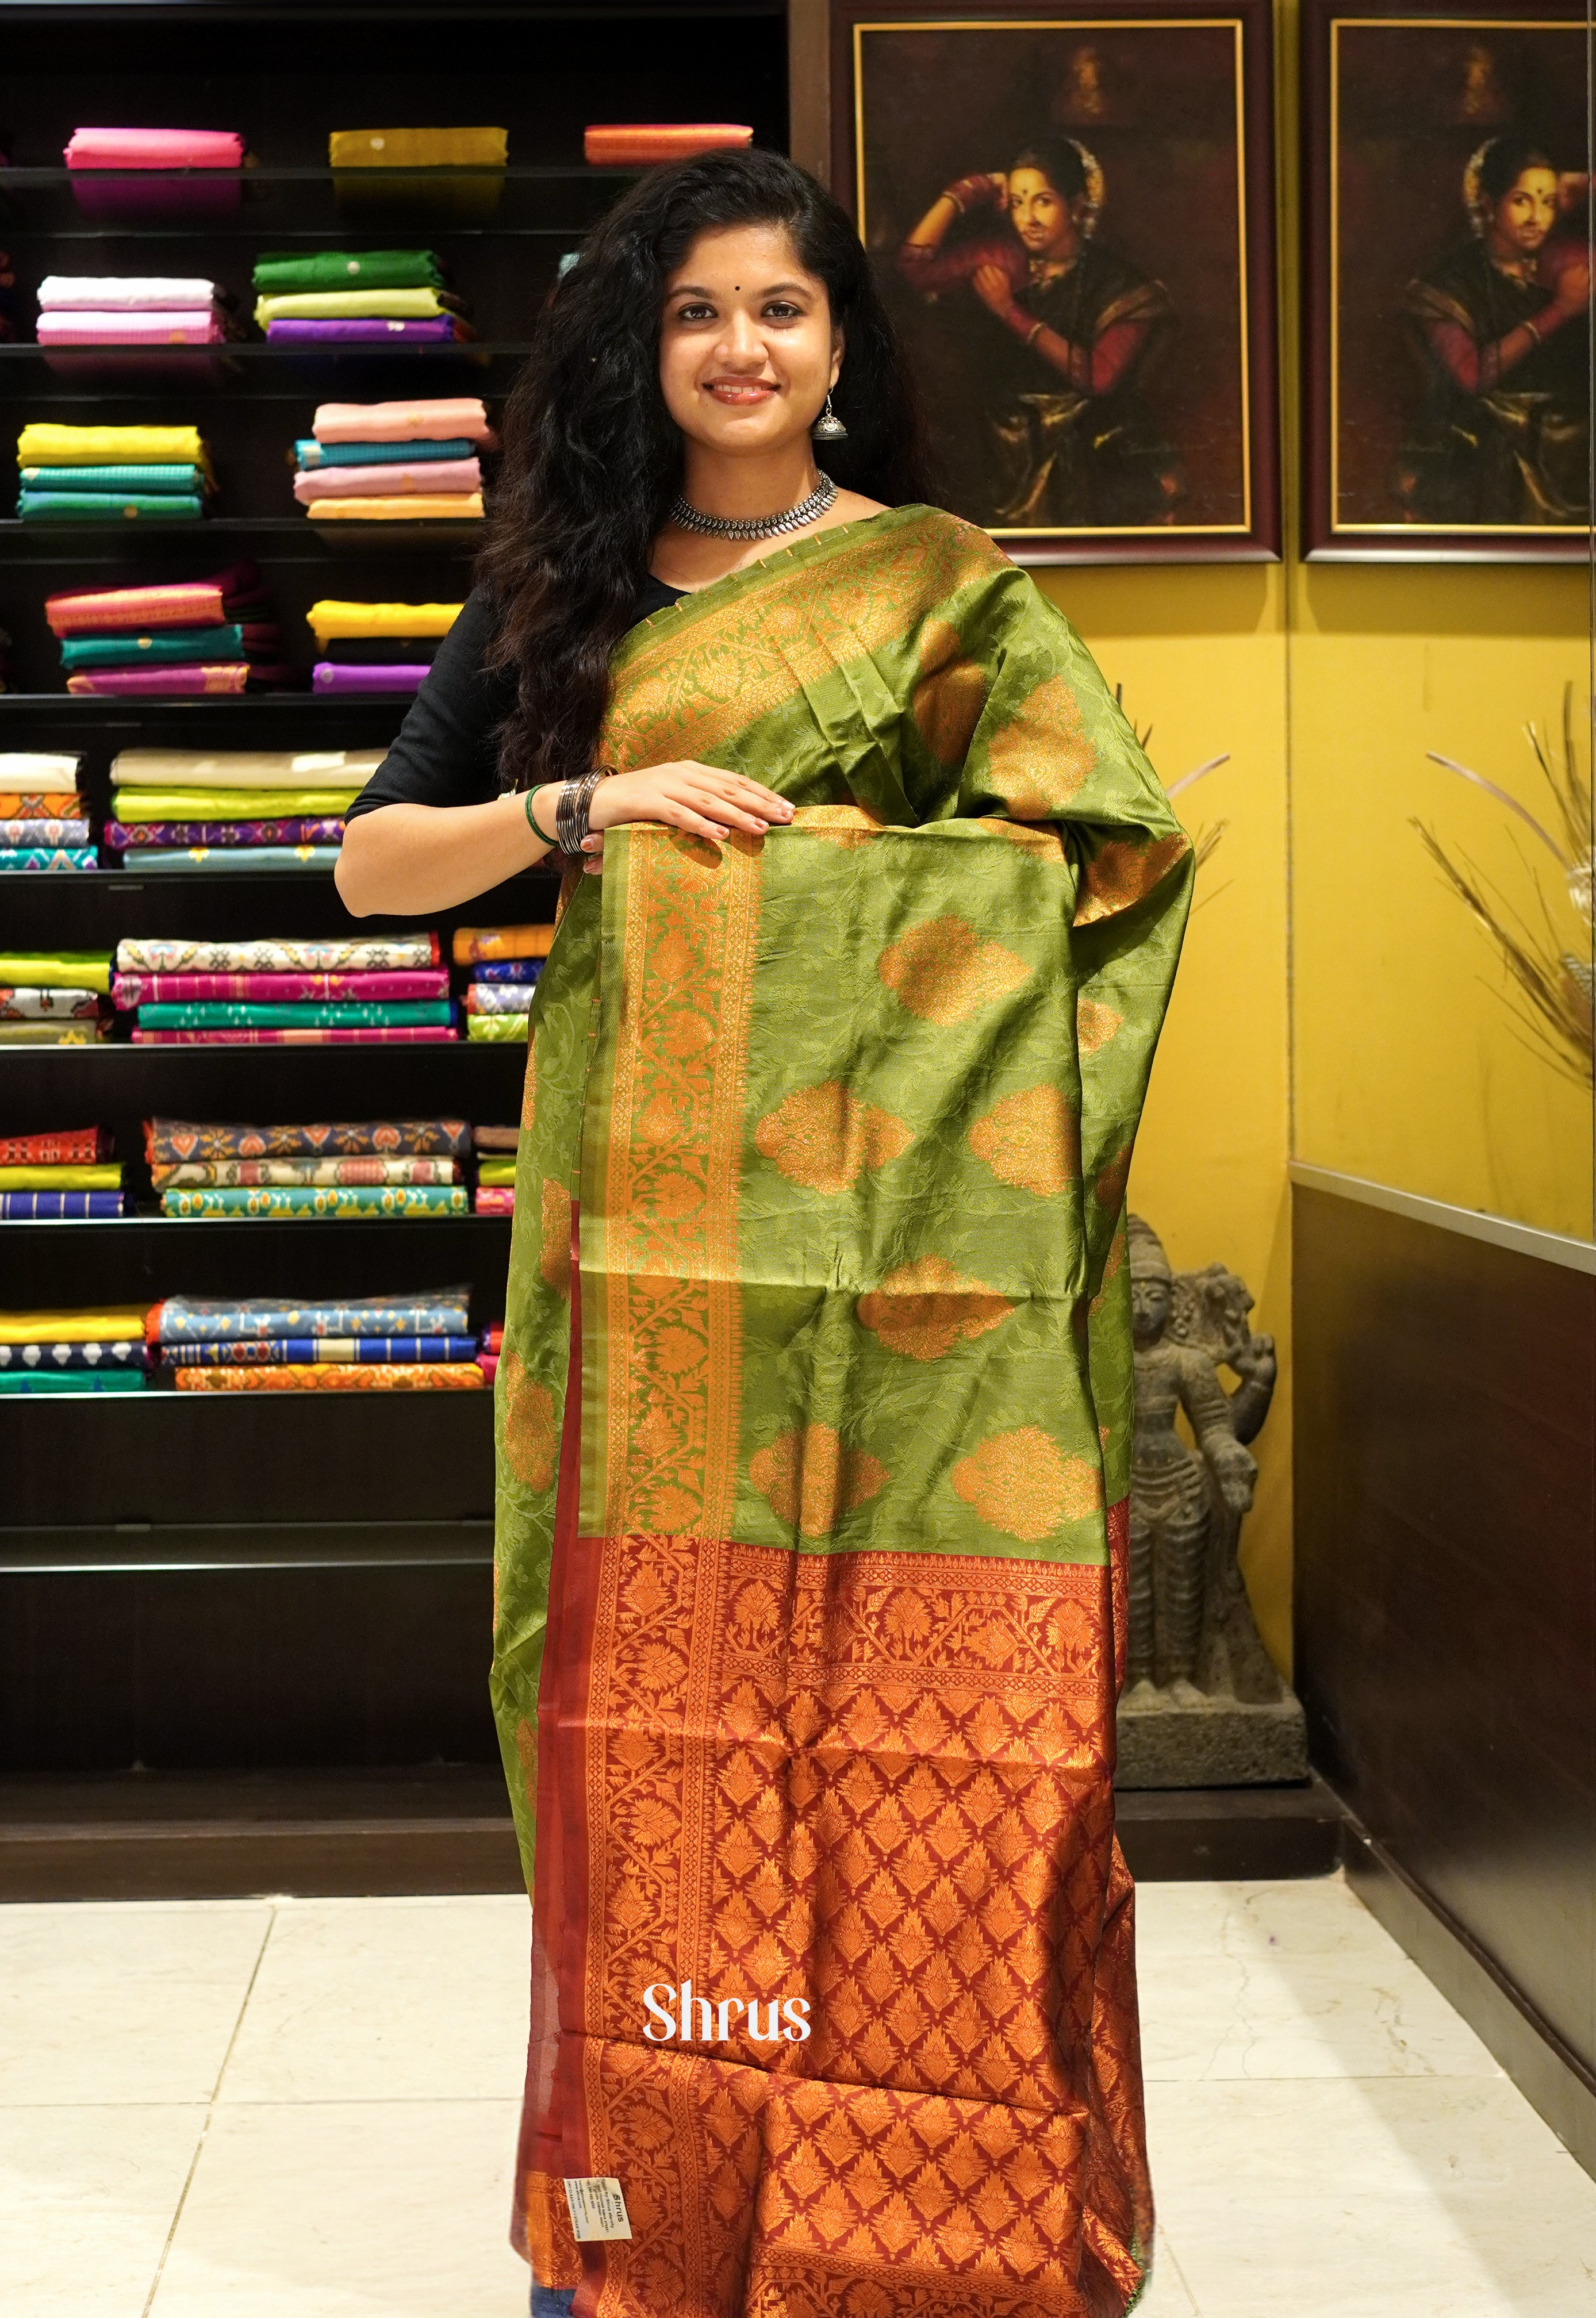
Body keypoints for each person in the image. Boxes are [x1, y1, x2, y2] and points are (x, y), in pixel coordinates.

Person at [337, 147, 1191, 2318]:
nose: (739, 346)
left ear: (838, 345)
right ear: (643, 346)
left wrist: (828, 872)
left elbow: (1096, 850)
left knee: (925, 1731)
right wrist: (585, 804)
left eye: (779, 309)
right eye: (696, 309)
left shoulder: (932, 586)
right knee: (639, 1720)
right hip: (639, 1261)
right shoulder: (561, 589)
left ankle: (923, 2239)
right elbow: (371, 865)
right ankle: (639, 2222)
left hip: (903, 1277)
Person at [897, 134, 1185, 527]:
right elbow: (915, 266)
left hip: (1086, 441)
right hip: (1004, 441)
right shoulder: (1006, 258)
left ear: (1076, 206)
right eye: (1018, 203)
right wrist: (966, 191)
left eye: (1043, 201)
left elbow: (1098, 377)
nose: (1028, 218)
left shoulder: (1120, 285)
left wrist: (1009, 312)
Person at [1394, 132, 1591, 524]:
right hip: (1497, 436)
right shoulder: (1448, 283)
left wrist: (1585, 184)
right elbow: (1472, 375)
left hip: (1566, 429)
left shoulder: (1559, 258)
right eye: (1522, 201)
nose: (1537, 218)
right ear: (1488, 204)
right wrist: (1558, 311)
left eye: (1549, 203)